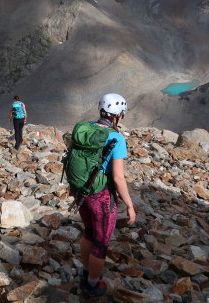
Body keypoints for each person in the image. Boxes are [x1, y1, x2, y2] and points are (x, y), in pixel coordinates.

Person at [73, 93, 136, 298]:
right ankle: (92, 285)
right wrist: (129, 205)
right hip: (101, 196)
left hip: (80, 190)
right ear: (117, 114)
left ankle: (85, 273)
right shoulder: (116, 138)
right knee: (100, 242)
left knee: (88, 232)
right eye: (122, 113)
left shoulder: (86, 130)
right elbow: (118, 178)